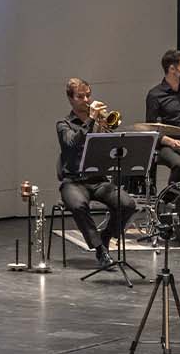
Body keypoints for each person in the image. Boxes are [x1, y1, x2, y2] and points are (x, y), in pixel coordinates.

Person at [58, 78, 137, 269]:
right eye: (80, 96)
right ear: (70, 99)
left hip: (98, 180)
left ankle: (105, 237)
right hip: (73, 181)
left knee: (127, 204)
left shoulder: (99, 122)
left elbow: (112, 148)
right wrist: (91, 119)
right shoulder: (63, 124)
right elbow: (71, 143)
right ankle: (100, 250)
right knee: (77, 206)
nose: (86, 99)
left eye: (88, 95)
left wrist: (104, 128)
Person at [144, 49, 180, 186]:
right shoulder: (155, 95)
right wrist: (169, 141)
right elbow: (151, 129)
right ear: (172, 69)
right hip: (166, 144)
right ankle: (170, 199)